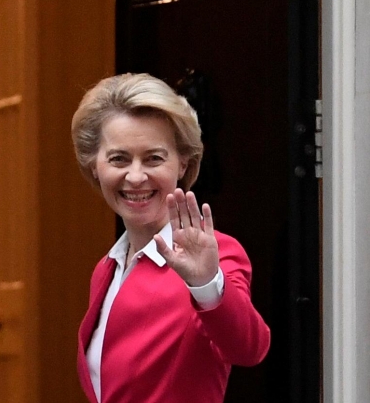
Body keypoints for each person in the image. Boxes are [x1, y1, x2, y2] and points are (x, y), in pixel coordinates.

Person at [71, 73, 270, 403]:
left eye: (154, 158)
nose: (135, 176)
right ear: (95, 166)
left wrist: (206, 283)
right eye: (119, 158)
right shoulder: (106, 269)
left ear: (182, 164)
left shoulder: (215, 255)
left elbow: (249, 348)